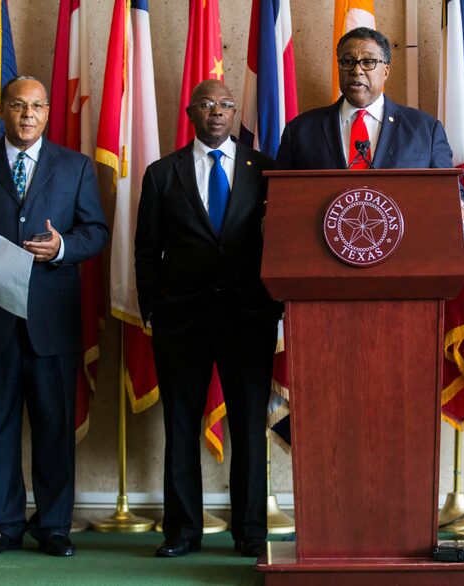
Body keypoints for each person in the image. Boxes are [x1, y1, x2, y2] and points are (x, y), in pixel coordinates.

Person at [0, 76, 109, 557]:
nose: (27, 114)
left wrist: (62, 247)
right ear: (2, 111)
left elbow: (96, 231)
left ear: (49, 113)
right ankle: (4, 525)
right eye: (17, 105)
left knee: (55, 425)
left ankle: (53, 526)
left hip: (51, 322)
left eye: (36, 106)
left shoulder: (75, 168)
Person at [135, 79, 282, 558]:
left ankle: (250, 532)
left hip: (248, 318)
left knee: (247, 428)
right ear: (190, 112)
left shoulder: (265, 171)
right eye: (206, 104)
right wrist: (153, 309)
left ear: (234, 111)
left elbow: (279, 247)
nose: (216, 112)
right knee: (180, 425)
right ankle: (181, 531)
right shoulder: (161, 173)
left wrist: (275, 308)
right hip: (181, 321)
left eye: (224, 104)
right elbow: (146, 252)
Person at [275, 26, 452, 170]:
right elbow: (280, 196)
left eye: (368, 62)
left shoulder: (426, 130)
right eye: (348, 61)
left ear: (385, 71)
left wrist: (457, 203)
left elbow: (450, 195)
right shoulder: (300, 131)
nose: (356, 70)